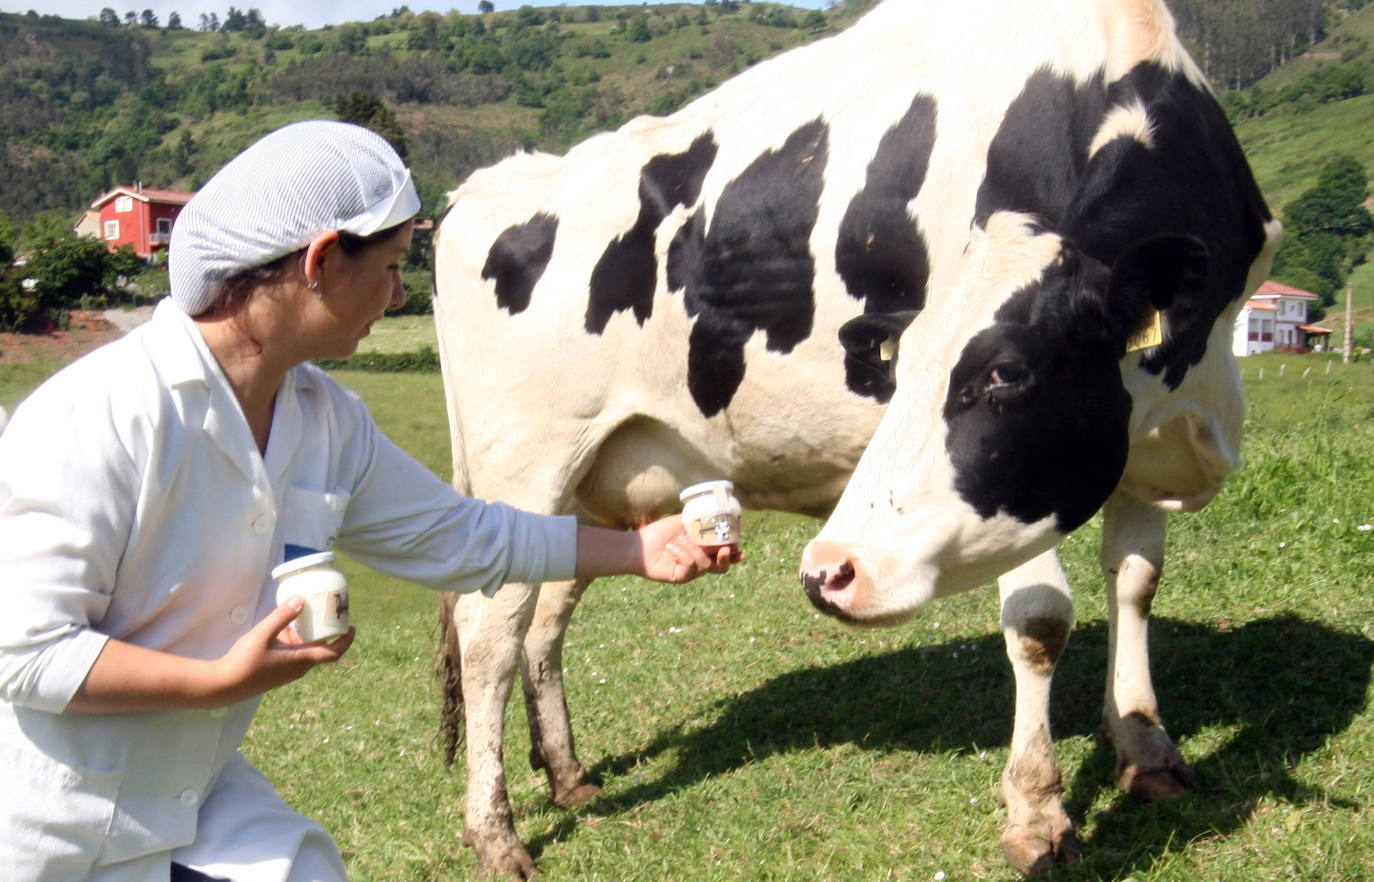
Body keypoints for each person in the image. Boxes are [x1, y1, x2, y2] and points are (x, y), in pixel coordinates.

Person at [0, 121, 740, 882]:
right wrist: (219, 681)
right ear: (321, 261)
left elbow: (464, 536)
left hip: (195, 800)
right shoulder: (100, 414)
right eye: (389, 266)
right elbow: (25, 652)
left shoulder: (323, 420)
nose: (400, 292)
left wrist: (640, 550)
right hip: (51, 827)